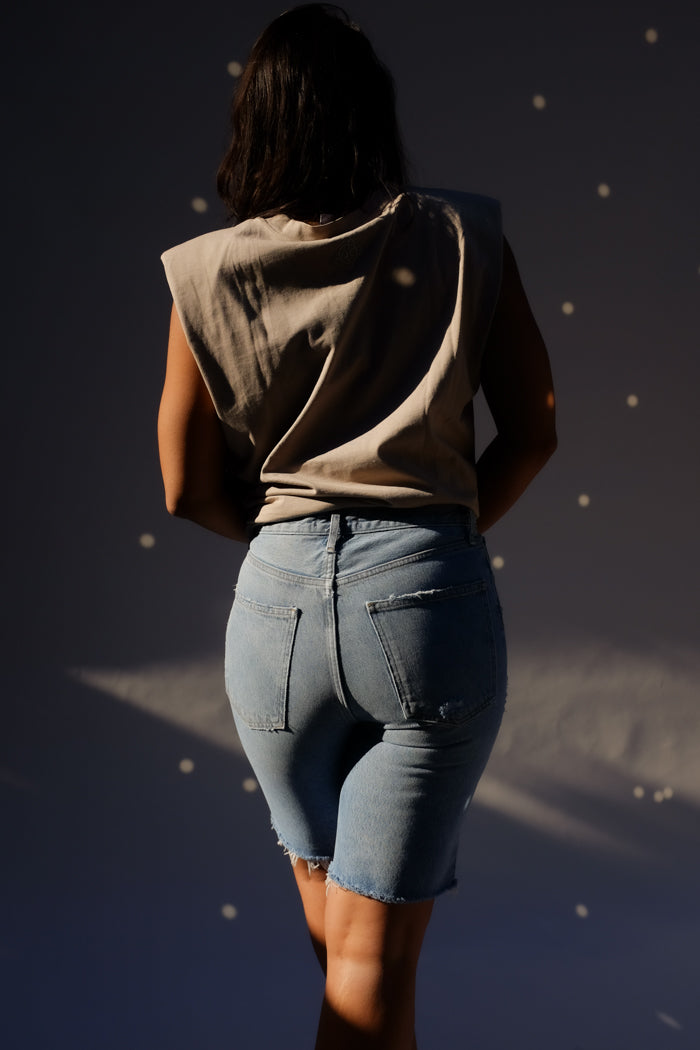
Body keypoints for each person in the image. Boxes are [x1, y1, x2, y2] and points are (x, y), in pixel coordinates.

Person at [157, 5, 557, 1048]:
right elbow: (535, 431)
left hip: (275, 621)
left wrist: (291, 548)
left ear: (255, 121)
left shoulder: (205, 272)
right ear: (372, 114)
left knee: (348, 962)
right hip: (425, 600)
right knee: (370, 974)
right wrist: (438, 540)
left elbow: (183, 486)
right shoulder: (463, 237)